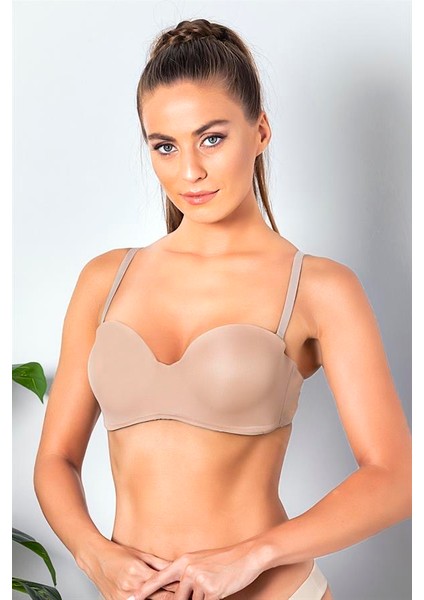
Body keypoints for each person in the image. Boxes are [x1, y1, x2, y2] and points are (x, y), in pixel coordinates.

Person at [33, 18, 412, 600]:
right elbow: (56, 459)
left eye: (211, 138)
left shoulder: (317, 288)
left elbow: (396, 477)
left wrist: (252, 556)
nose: (189, 171)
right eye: (165, 146)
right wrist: (96, 556)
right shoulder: (106, 280)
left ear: (260, 131)